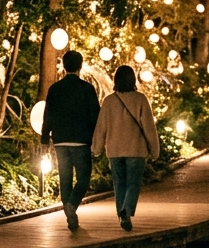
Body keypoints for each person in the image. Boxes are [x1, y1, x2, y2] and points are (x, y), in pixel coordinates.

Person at [91, 66, 159, 231]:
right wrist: (154, 150)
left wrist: (96, 148)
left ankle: (122, 213)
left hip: (115, 150)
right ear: (133, 80)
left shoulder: (109, 101)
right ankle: (126, 212)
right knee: (133, 183)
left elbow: (101, 128)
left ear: (116, 80)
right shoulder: (141, 99)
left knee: (119, 183)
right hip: (136, 150)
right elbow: (149, 128)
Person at [41, 51, 102, 231]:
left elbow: (48, 115)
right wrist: (96, 138)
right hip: (81, 141)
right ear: (80, 66)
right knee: (83, 178)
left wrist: (45, 138)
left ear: (64, 65)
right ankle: (71, 206)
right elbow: (95, 116)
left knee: (64, 179)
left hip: (60, 140)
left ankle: (69, 212)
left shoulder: (55, 89)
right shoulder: (87, 88)